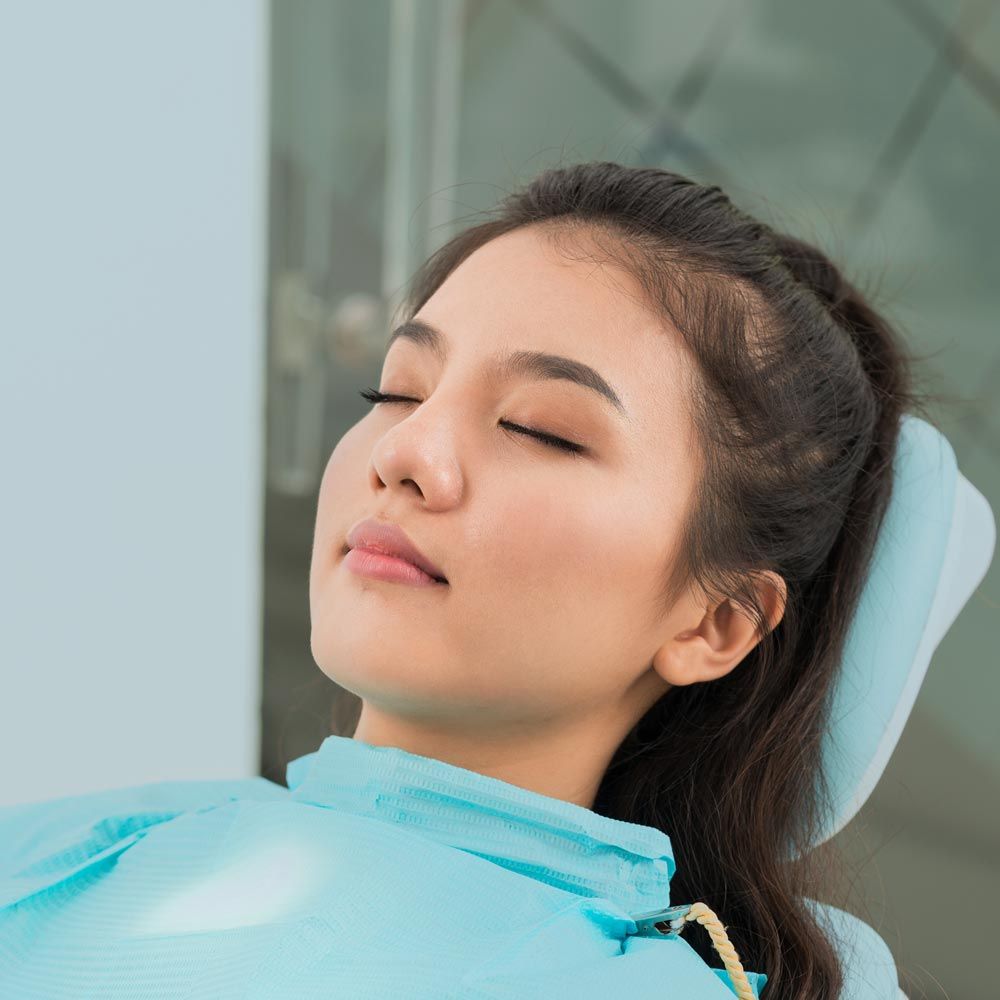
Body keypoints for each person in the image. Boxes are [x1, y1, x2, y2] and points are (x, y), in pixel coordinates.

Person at [1, 162, 939, 998]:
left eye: (541, 429)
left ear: (717, 623)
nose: (405, 452)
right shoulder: (81, 851)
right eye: (397, 392)